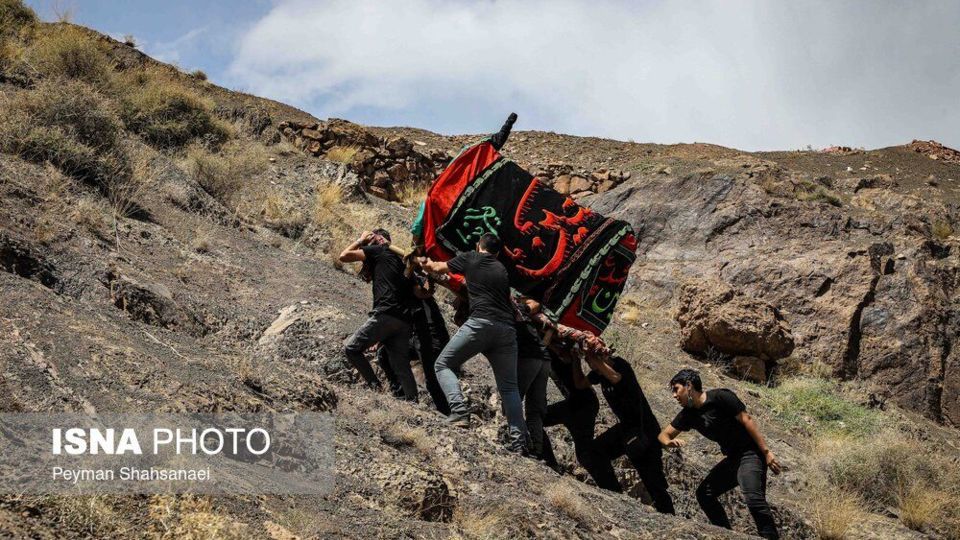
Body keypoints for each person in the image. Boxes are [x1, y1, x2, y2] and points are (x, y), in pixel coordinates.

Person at [420, 232, 528, 453]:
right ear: (497, 252)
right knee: (509, 388)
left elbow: (438, 269)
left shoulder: (471, 258)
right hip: (507, 330)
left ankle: (459, 411)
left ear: (479, 246)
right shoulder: (501, 269)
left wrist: (423, 262)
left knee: (443, 365)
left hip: (480, 324)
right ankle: (519, 443)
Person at [658, 369, 781, 539]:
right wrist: (668, 442)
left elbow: (747, 420)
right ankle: (727, 534)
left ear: (689, 386)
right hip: (733, 459)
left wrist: (766, 453)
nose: (674, 395)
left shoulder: (721, 397)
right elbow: (663, 435)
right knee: (705, 493)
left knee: (753, 499)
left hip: (750, 454)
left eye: (676, 389)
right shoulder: (689, 414)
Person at [572, 354, 675, 514]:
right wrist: (575, 359)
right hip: (626, 429)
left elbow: (614, 377)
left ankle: (670, 518)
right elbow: (580, 384)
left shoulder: (620, 365)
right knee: (592, 452)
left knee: (653, 483)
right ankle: (614, 496)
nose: (589, 363)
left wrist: (595, 357)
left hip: (645, 430)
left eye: (589, 359)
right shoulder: (598, 373)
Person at [338, 229, 418, 401]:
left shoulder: (380, 250)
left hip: (386, 314)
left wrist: (360, 239)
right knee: (402, 366)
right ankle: (414, 402)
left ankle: (376, 389)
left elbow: (344, 256)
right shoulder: (403, 262)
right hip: (404, 321)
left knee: (351, 349)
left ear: (378, 239)